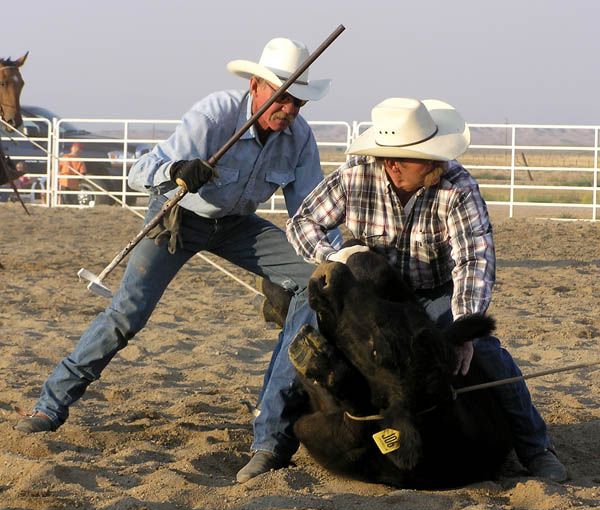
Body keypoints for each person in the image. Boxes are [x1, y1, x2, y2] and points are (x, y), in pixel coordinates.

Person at [15, 37, 340, 476]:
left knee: (315, 278)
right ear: (255, 86)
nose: (291, 110)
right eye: (283, 98)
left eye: (298, 102)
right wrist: (175, 171)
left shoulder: (299, 139)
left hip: (238, 226)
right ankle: (49, 406)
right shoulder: (213, 114)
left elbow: (309, 212)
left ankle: (271, 435)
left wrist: (340, 253)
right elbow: (141, 170)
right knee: (126, 315)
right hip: (177, 218)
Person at [255, 97, 567, 483]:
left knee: (484, 349)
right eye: (420, 157)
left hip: (430, 292)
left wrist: (464, 323)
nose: (395, 164)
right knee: (303, 333)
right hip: (365, 293)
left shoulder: (458, 189)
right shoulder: (355, 175)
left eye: (418, 155)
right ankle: (270, 444)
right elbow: (302, 223)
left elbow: (474, 260)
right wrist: (335, 257)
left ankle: (536, 448)